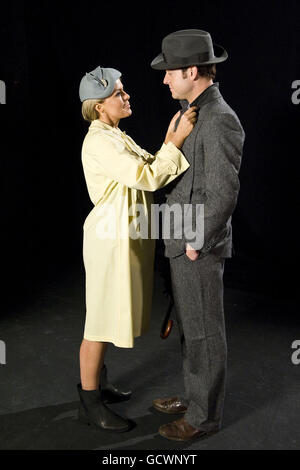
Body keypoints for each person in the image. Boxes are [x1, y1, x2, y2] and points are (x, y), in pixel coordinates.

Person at [77, 65, 197, 432]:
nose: (126, 97)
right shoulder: (99, 140)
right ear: (100, 106)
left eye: (124, 91)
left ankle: (98, 382)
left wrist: (166, 144)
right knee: (98, 322)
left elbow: (145, 162)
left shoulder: (114, 134)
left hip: (122, 237)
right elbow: (145, 177)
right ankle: (89, 401)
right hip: (109, 240)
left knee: (109, 315)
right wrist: (174, 145)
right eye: (118, 94)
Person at [150, 29, 245, 441]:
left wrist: (195, 241)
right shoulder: (191, 111)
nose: (164, 79)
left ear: (191, 70)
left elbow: (224, 192)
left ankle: (204, 416)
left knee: (205, 329)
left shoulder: (220, 118)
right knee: (192, 325)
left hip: (195, 245)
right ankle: (195, 396)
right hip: (180, 237)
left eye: (170, 72)